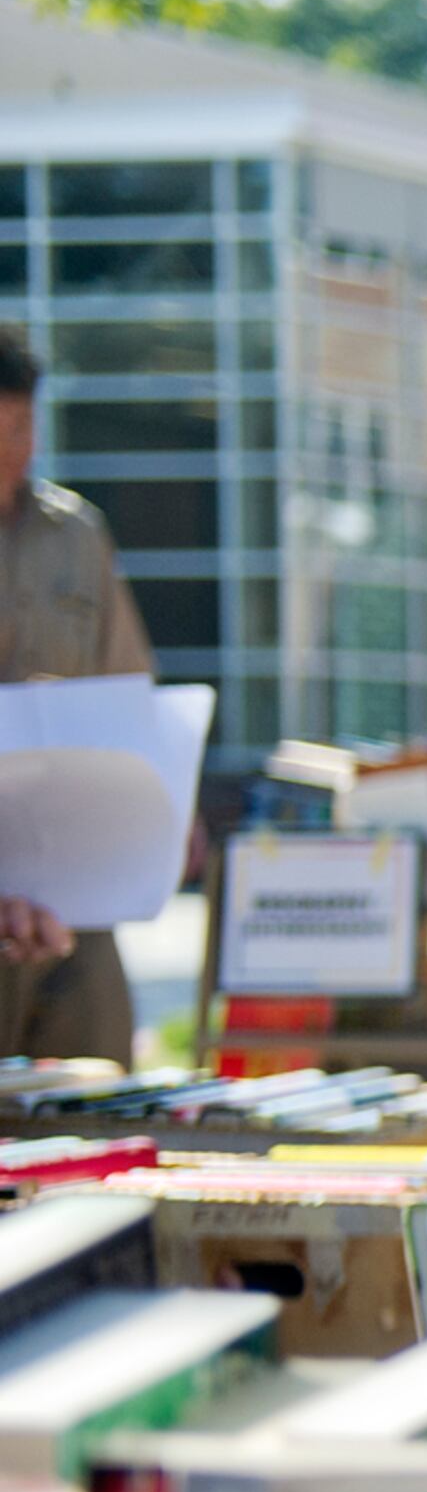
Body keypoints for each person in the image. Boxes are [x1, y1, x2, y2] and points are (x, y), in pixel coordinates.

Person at [0, 323, 156, 1065]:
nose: (10, 446)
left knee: (97, 1079)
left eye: (23, 424)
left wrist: (164, 803)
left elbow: (128, 684)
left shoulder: (77, 534)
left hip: (72, 867)